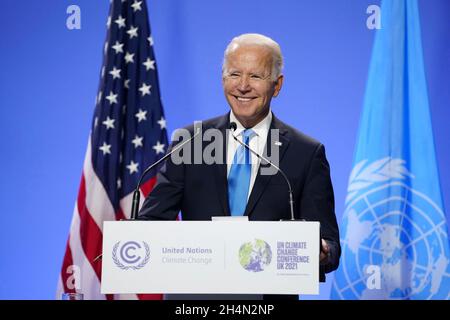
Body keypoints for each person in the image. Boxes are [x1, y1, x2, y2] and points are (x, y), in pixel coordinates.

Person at [138, 33, 340, 299]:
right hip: (196, 300)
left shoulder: (306, 153)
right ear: (223, 79)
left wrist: (321, 250)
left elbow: (330, 244)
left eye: (256, 76)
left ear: (277, 85)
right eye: (234, 74)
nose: (243, 86)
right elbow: (152, 221)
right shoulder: (191, 141)